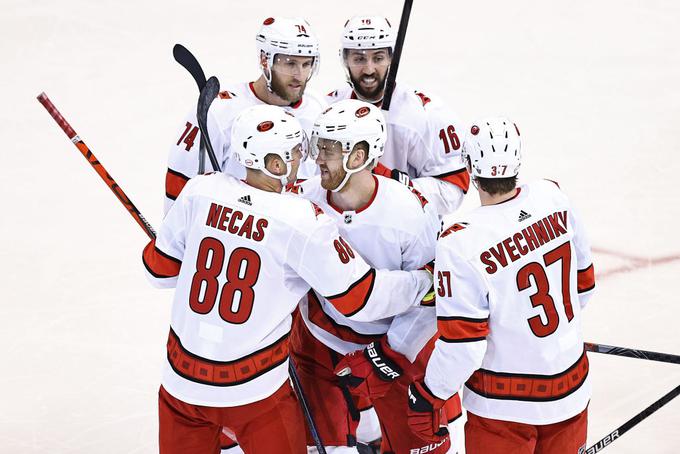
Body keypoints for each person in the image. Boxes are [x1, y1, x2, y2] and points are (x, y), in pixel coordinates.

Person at [142, 105, 434, 454]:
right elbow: (358, 297)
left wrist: (174, 241)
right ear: (276, 164)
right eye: (297, 151)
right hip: (254, 389)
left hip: (180, 385)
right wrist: (422, 283)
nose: (306, 159)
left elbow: (158, 271)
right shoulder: (300, 218)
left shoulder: (199, 192)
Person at [406, 117, 596, 454]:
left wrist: (430, 393)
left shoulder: (460, 241)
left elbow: (464, 346)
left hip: (503, 407)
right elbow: (584, 284)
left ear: (470, 165)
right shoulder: (552, 196)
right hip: (572, 388)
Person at [286, 99, 461, 454]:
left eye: (329, 149)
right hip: (320, 342)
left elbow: (434, 300)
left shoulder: (411, 212)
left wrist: (390, 353)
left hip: (393, 347)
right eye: (319, 146)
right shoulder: (302, 201)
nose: (318, 157)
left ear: (358, 155)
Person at [165, 16, 327, 214]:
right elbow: (181, 183)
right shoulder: (220, 111)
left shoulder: (318, 108)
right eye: (290, 63)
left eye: (306, 64)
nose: (299, 75)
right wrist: (172, 237)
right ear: (264, 60)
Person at [326, 15, 469, 216]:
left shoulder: (425, 114)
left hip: (404, 235)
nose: (369, 69)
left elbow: (453, 189)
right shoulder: (328, 109)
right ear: (345, 60)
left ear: (392, 58)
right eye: (359, 58)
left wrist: (390, 182)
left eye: (378, 58)